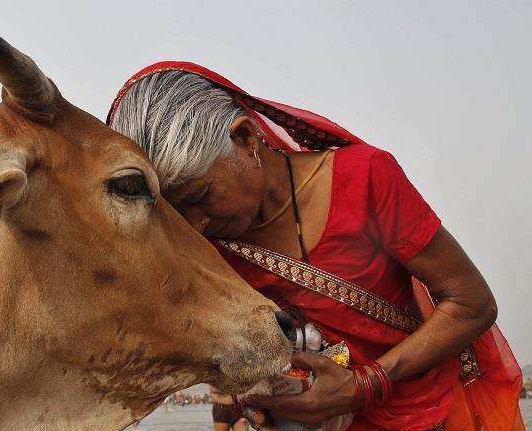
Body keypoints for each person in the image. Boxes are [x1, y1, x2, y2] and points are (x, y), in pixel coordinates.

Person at [107, 61, 524, 430]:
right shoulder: (211, 248)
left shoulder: (364, 180)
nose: (196, 225)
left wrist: (363, 386)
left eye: (200, 198)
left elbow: (472, 304)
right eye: (180, 214)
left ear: (247, 138)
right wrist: (262, 407)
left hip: (426, 416)